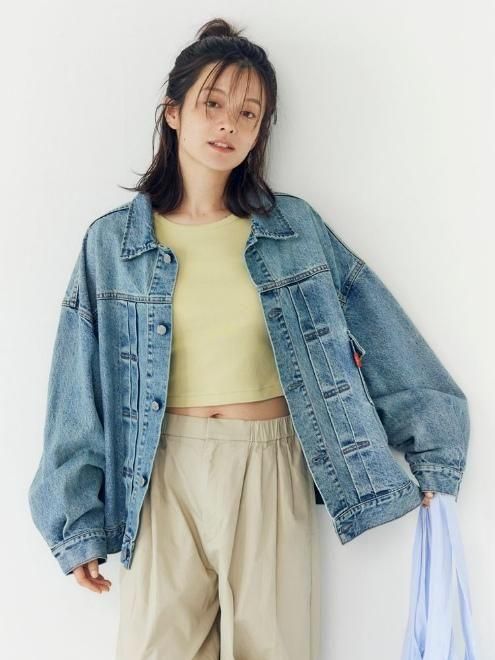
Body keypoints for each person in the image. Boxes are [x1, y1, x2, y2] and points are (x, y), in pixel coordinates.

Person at [28, 16, 449, 660]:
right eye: (213, 104)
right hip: (160, 470)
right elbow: (76, 385)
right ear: (173, 113)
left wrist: (432, 449)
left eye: (249, 113)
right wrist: (75, 519)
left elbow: (377, 325)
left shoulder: (294, 230)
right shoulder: (113, 243)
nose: (229, 124)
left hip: (270, 464)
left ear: (259, 132)